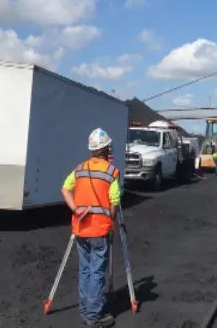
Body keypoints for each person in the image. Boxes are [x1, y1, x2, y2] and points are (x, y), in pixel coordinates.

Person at [61, 128, 120, 327]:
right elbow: (115, 201)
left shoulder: (80, 169)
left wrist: (75, 209)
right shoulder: (111, 171)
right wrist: (110, 222)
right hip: (99, 230)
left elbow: (65, 188)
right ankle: (94, 316)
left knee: (85, 271)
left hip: (81, 228)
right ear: (106, 148)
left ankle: (86, 309)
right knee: (96, 272)